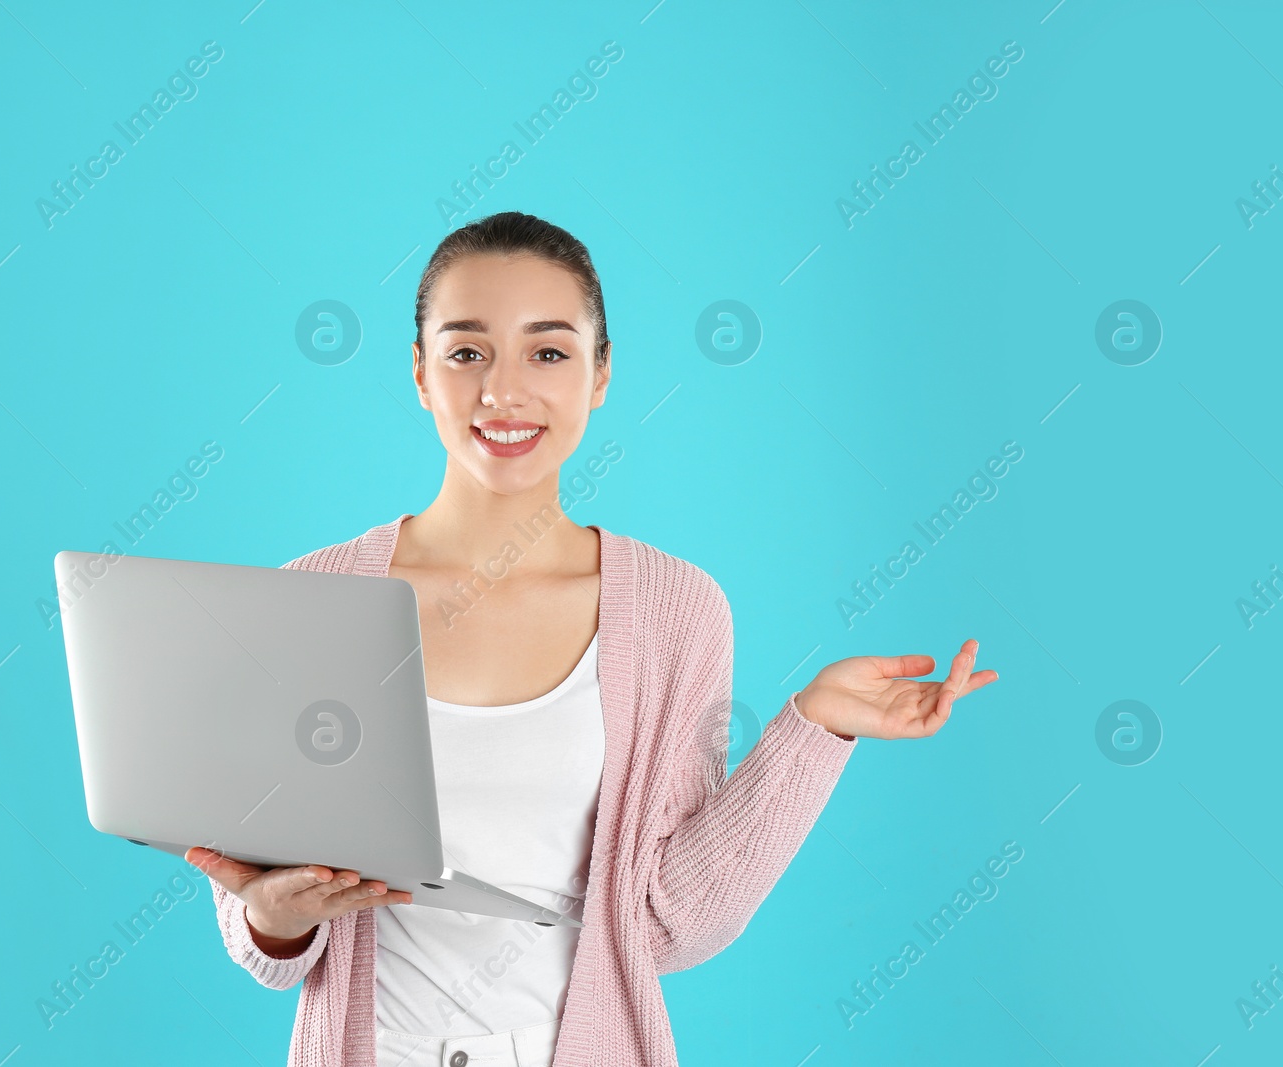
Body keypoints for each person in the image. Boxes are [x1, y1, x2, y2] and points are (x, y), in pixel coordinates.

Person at [186, 211, 997, 1066]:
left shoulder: (678, 610)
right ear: (419, 372)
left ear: (601, 372)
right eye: (466, 352)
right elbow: (268, 944)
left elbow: (666, 920)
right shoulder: (311, 597)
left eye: (548, 351)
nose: (503, 390)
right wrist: (272, 918)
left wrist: (816, 726)